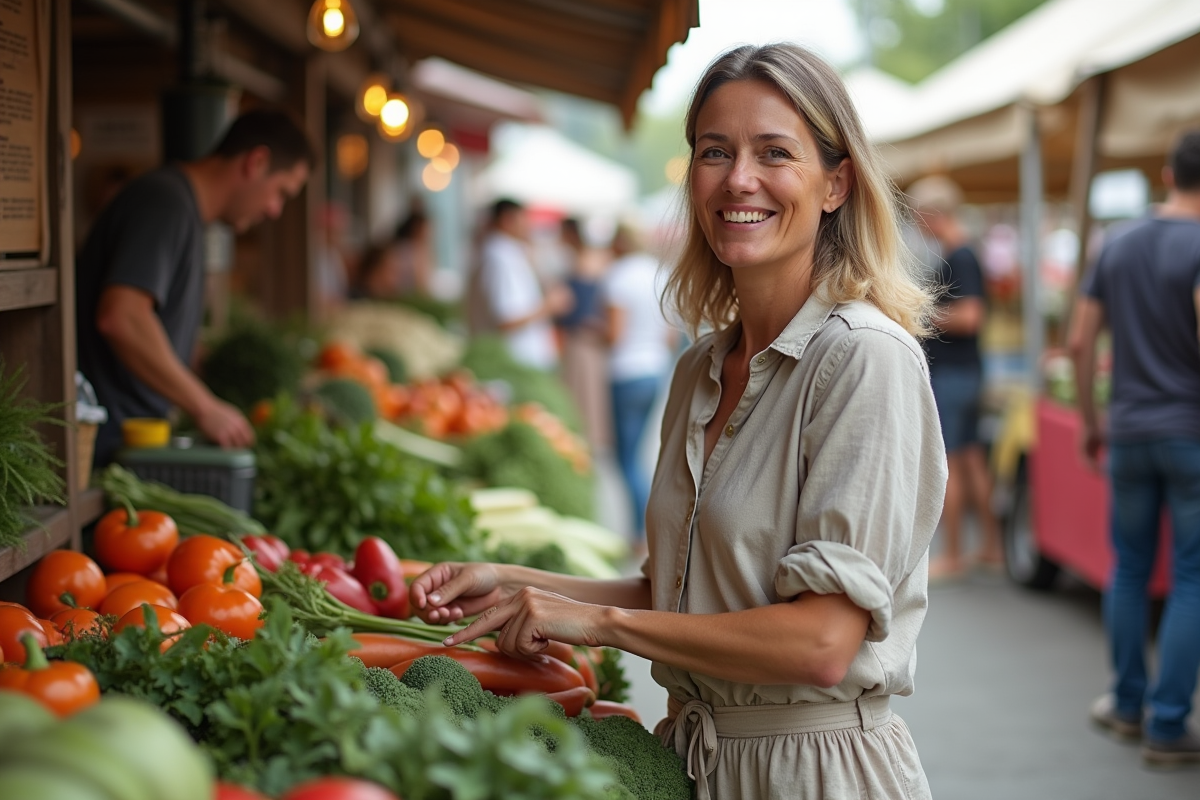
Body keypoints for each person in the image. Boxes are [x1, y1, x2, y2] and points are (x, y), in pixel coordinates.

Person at [411, 44, 947, 799]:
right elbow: (682, 594)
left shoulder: (864, 360)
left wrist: (591, 625)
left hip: (815, 774)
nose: (738, 179)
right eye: (714, 151)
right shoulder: (700, 368)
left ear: (836, 182)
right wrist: (512, 582)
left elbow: (823, 642)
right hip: (692, 764)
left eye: (774, 153)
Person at [76, 108, 314, 466]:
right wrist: (204, 406)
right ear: (256, 162)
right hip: (106, 447)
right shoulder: (164, 203)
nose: (275, 210)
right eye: (280, 192)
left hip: (130, 440)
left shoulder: (183, 210)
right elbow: (122, 317)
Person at [1071, 128, 1200, 767]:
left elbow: (1079, 342)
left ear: (1168, 174)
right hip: (1191, 432)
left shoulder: (1116, 242)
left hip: (1128, 429)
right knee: (1193, 576)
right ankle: (1169, 725)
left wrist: (1094, 422)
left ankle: (1126, 703)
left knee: (1128, 565)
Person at [907, 175, 1004, 578]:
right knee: (970, 460)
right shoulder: (961, 252)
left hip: (955, 375)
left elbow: (969, 316)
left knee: (947, 464)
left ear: (934, 214)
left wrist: (922, 316)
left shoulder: (960, 256)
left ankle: (951, 554)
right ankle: (990, 546)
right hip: (966, 372)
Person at [602, 221, 674, 544]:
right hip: (654, 368)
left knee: (626, 458)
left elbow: (614, 335)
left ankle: (640, 532)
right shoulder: (658, 274)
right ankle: (646, 529)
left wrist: (591, 330)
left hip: (625, 372)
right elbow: (671, 336)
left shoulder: (618, 276)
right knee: (642, 452)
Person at [473, 198, 572, 371]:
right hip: (516, 363)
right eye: (524, 219)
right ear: (507, 220)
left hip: (521, 362)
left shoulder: (507, 253)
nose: (529, 225)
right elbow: (506, 319)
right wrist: (548, 306)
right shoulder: (499, 258)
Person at [554, 217, 611, 451]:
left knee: (582, 401)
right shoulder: (593, 259)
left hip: (582, 341)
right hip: (586, 341)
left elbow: (575, 310)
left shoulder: (583, 262)